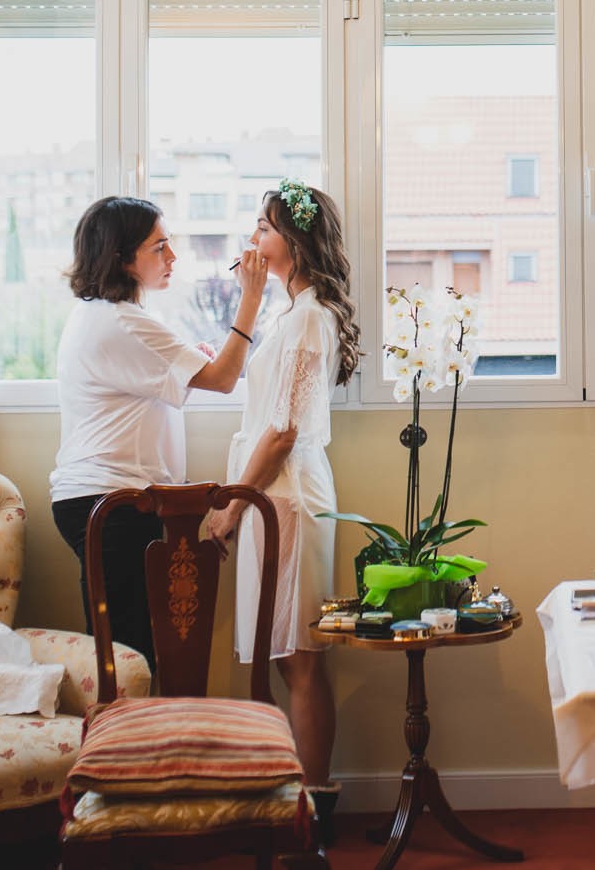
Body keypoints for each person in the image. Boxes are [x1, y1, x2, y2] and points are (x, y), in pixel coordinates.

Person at [49, 195, 267, 668]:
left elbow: (158, 379)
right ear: (122, 257)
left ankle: (129, 735)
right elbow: (226, 379)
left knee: (125, 648)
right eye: (160, 247)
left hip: (102, 500)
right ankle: (125, 739)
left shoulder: (103, 316)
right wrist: (250, 299)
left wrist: (192, 361)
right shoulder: (123, 322)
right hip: (109, 503)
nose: (173, 258)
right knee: (128, 655)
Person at [207, 181, 362, 826]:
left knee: (299, 660)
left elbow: (282, 431)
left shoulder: (307, 318)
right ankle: (292, 797)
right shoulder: (294, 311)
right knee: (285, 658)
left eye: (265, 228)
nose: (254, 239)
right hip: (278, 496)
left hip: (285, 499)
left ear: (294, 243)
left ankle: (312, 807)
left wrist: (233, 507)